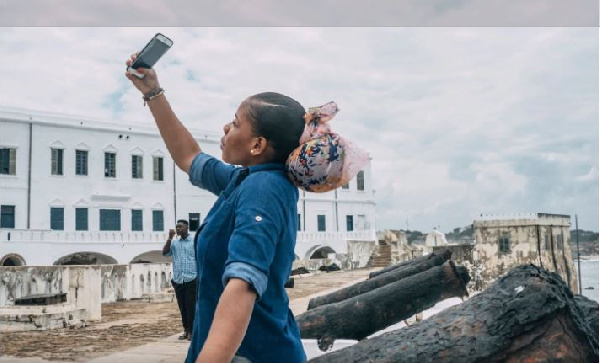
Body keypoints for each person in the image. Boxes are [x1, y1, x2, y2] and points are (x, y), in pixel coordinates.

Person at [125, 53, 367, 363]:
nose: (226, 127)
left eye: (236, 123)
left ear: (257, 146)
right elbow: (189, 158)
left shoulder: (262, 190)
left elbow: (242, 285)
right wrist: (153, 93)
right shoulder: (247, 179)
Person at [163, 219, 197, 341]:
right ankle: (186, 330)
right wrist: (169, 238)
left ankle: (192, 332)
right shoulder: (174, 243)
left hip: (192, 278)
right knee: (182, 307)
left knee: (191, 306)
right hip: (178, 280)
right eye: (177, 227)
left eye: (180, 227)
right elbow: (165, 253)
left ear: (187, 228)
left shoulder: (194, 241)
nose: (178, 229)